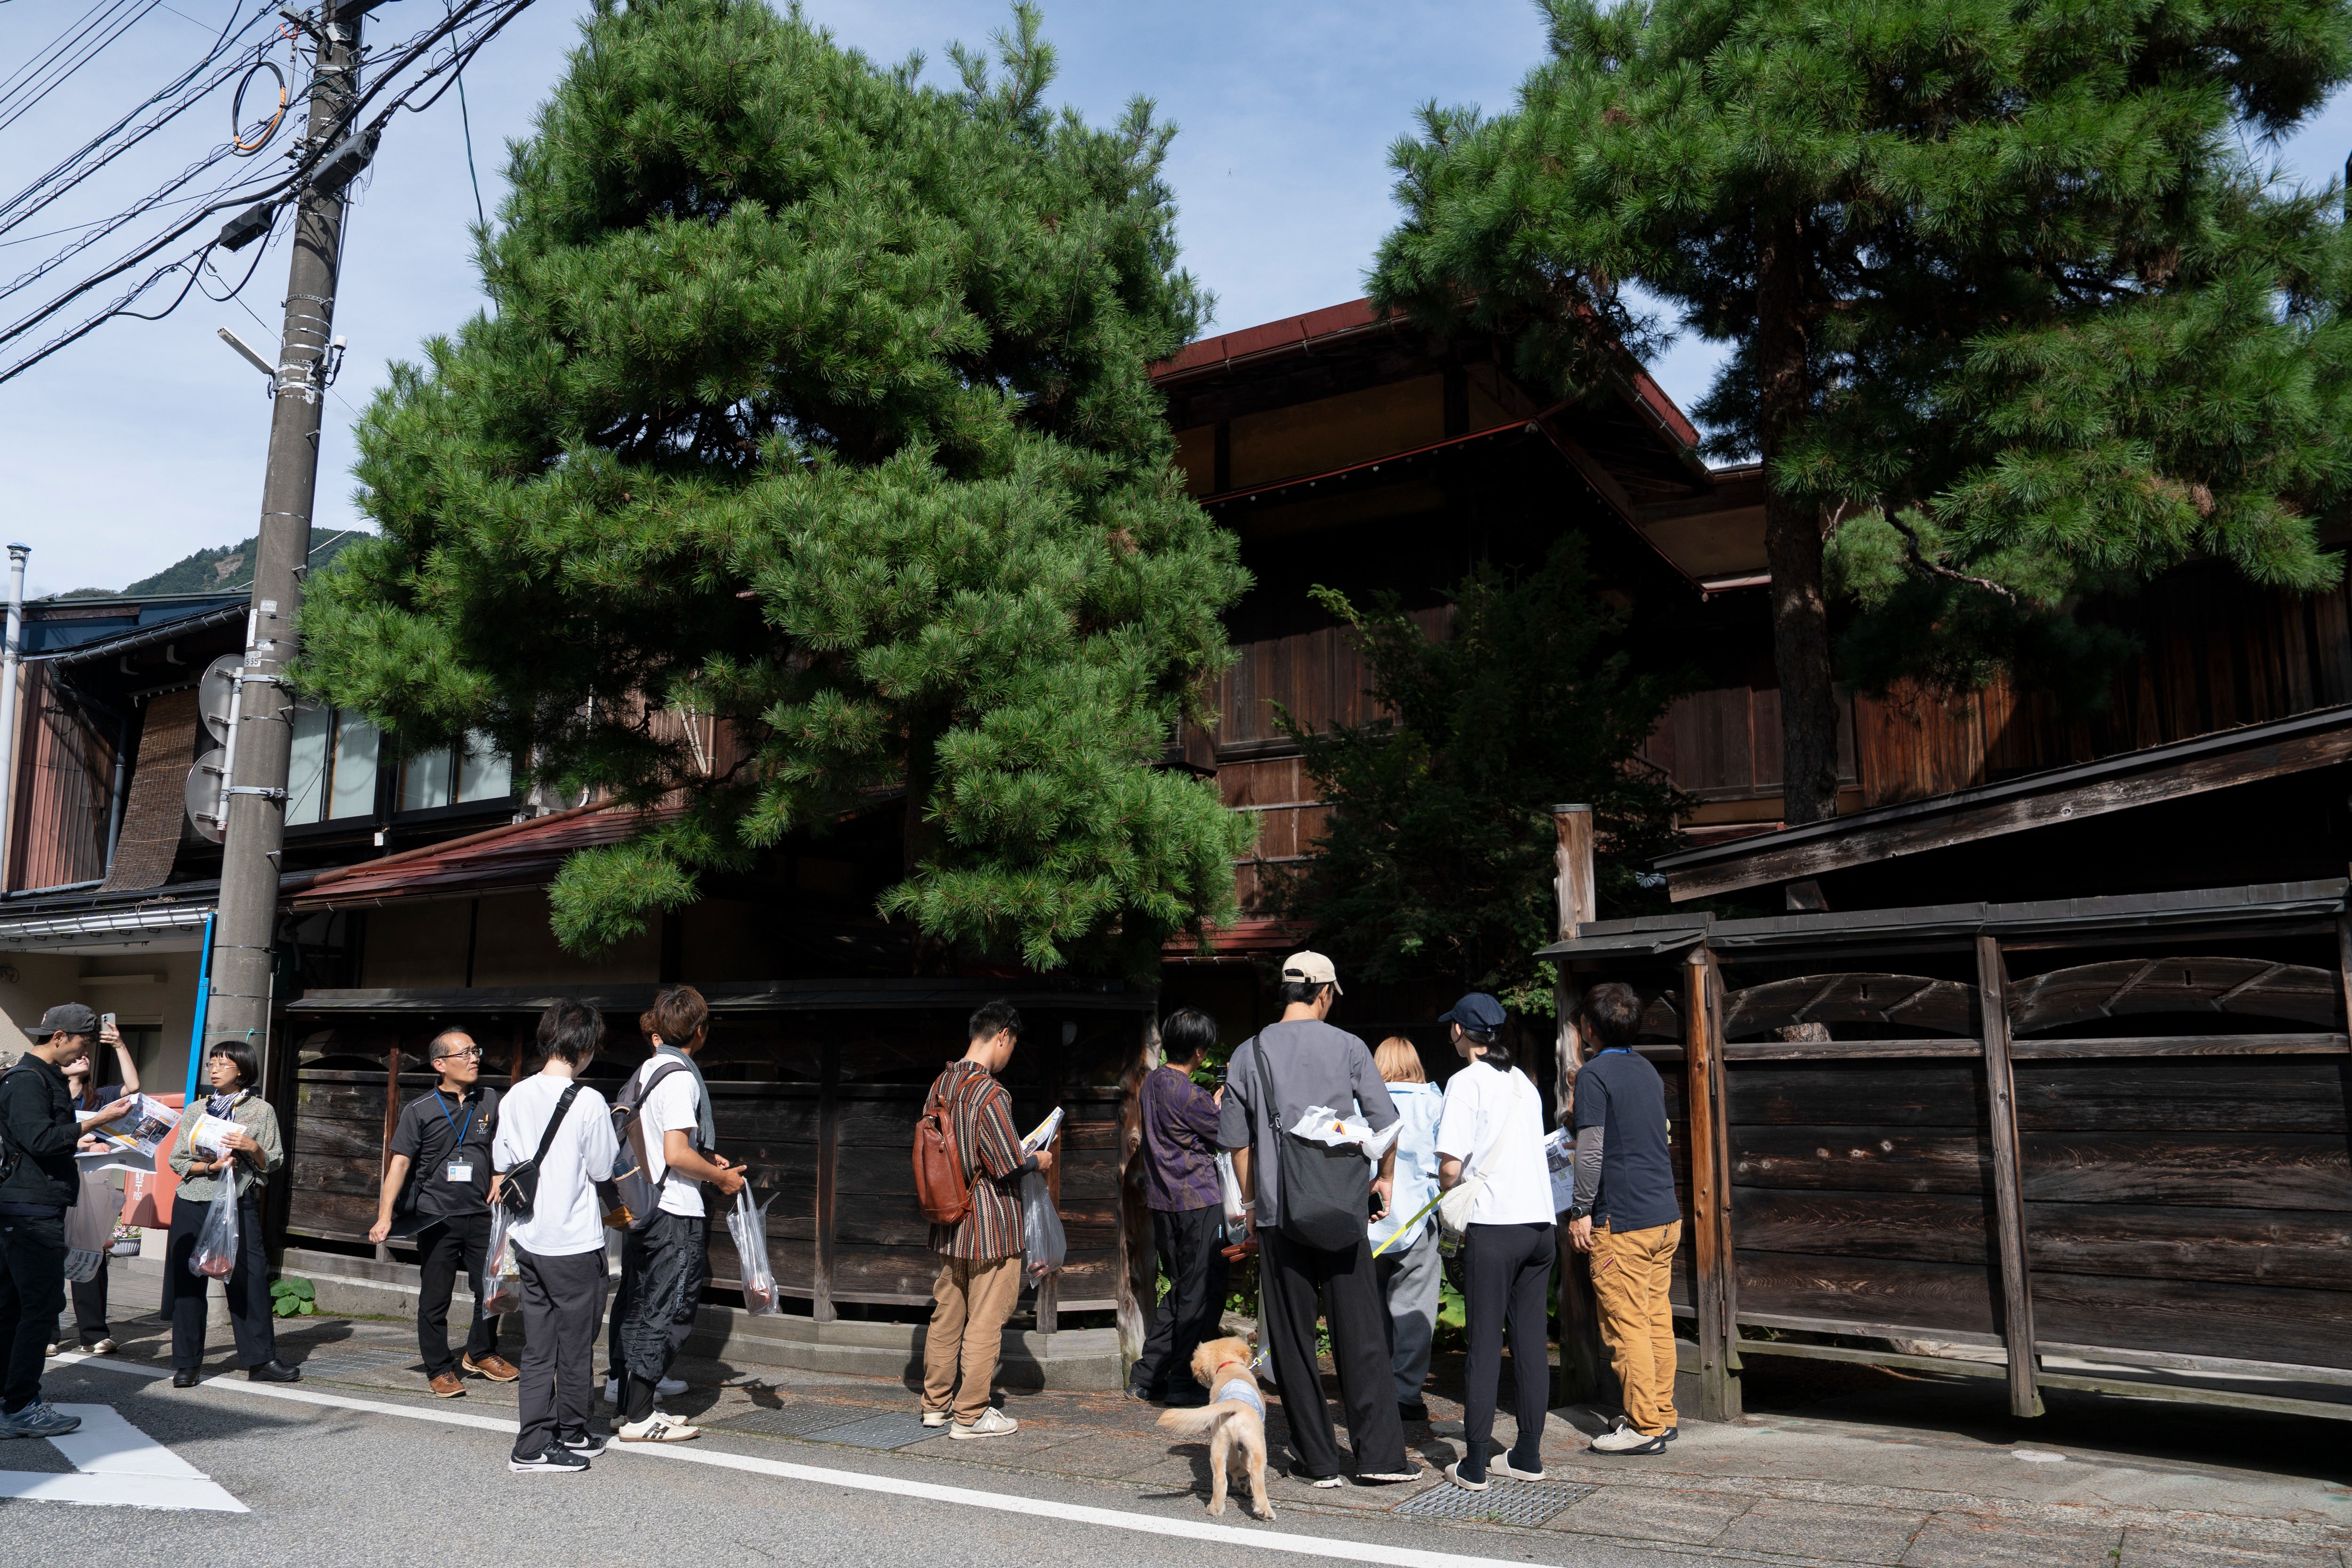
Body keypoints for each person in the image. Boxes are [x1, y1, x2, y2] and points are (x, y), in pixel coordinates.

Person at [1216, 953, 1416, 1488]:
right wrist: (1385, 1179)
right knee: (1362, 1334)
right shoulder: (1348, 1046)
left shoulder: (1248, 1052)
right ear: (1325, 993)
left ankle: (1317, 1459)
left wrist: (1254, 1204)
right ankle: (1378, 1458)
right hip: (1342, 1208)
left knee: (1291, 1337)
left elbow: (1236, 1141)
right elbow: (1386, 1123)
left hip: (1282, 1214)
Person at [606, 985, 744, 1444]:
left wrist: (708, 1161)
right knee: (667, 1309)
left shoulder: (648, 1069)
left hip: (642, 1207)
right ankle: (642, 1419)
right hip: (672, 1211)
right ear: (700, 1031)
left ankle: (629, 1408)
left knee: (640, 1304)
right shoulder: (682, 1077)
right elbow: (676, 1152)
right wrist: (720, 1179)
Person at [1433, 993, 1556, 1490]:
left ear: (1460, 1032)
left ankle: (1475, 1462)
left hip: (1494, 1227)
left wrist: (1446, 1191)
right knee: (1529, 1342)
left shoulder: (1463, 1083)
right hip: (1539, 1226)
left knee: (1484, 1344)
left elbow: (1449, 1167)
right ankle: (1527, 1454)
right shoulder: (1523, 1082)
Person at [494, 1000, 622, 1474]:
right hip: (573, 1241)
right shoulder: (587, 1101)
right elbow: (602, 1168)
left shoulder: (514, 1096)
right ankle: (550, 1440)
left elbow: (504, 1161)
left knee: (538, 1347)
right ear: (585, 1047)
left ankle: (550, 1435)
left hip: (528, 1238)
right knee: (573, 1346)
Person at [918, 999, 1053, 1440]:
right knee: (985, 1319)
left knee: (947, 1313)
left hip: (948, 1218)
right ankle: (972, 1413)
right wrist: (1039, 1158)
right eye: (1012, 1044)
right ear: (1003, 1036)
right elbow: (1005, 1163)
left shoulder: (941, 1083)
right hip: (991, 1224)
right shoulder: (990, 1092)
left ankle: (935, 1405)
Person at [0, 1004, 130, 1437]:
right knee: (39, 1307)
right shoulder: (27, 1081)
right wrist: (97, 1121)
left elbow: (40, 1141)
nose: (83, 1050)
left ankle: (11, 1401)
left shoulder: (40, 1077)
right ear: (58, 1036)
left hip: (28, 1205)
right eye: (82, 1041)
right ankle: (20, 1405)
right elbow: (38, 1137)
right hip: (29, 1209)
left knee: (14, 1307)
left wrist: (85, 1142)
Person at [1565, 982, 1683, 1456]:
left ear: (1589, 1029)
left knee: (1625, 1326)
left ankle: (1643, 1428)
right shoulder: (1647, 1071)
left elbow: (1590, 1151)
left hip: (1624, 1221)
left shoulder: (1594, 1075)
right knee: (1656, 1319)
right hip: (1663, 1217)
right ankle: (1661, 1414)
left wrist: (1580, 1212)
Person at [368, 1028, 517, 1397]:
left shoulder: (489, 1099)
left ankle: (480, 1351)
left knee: (492, 1289)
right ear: (440, 1064)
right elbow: (400, 1164)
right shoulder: (419, 1109)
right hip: (437, 1217)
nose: (474, 1058)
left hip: (483, 1213)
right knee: (436, 1296)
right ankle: (438, 1367)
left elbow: (502, 1144)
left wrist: (499, 1175)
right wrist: (385, 1215)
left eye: (475, 1051)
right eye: (464, 1053)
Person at [163, 1040, 299, 1387]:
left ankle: (261, 1359)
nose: (214, 1068)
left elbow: (275, 1160)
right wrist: (210, 1167)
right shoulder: (196, 1109)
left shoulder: (260, 1110)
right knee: (187, 1280)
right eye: (211, 1063)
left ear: (242, 1068)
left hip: (237, 1199)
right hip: (192, 1199)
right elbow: (177, 1160)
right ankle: (187, 1363)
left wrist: (253, 1147)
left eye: (222, 1063)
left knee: (249, 1279)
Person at [1124, 1008, 1230, 1407]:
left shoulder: (1152, 1081)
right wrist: (1221, 1104)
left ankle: (1147, 1375)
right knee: (1199, 1292)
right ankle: (1184, 1383)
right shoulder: (1191, 1093)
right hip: (1198, 1199)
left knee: (1183, 1288)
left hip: (1163, 1201)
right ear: (1200, 1052)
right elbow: (1226, 1134)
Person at [53, 1015, 139, 1357]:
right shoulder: (49, 1096)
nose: (82, 1057)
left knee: (90, 1252)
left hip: (90, 1184)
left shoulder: (97, 1095)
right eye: (75, 1055)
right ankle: (49, 1333)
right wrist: (83, 1142)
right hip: (55, 1182)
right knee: (49, 1256)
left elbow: (132, 1087)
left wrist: (118, 1044)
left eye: (86, 1054)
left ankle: (94, 1333)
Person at [1369, 1035, 1444, 1425]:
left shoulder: (1361, 1102)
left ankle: (1376, 1388)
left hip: (1369, 1222)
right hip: (1417, 1220)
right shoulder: (1434, 1102)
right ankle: (1406, 1393)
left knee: (1373, 1311)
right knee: (1414, 1309)